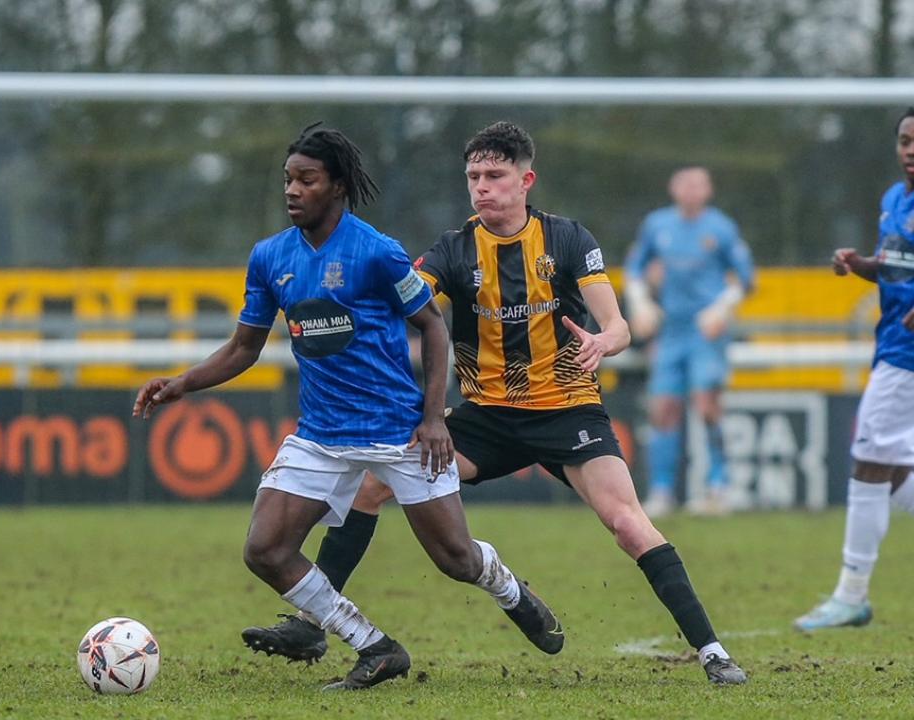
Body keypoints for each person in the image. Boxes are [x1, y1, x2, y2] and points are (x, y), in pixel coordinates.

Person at [248, 121, 747, 685]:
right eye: (473, 177)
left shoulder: (567, 240)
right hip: (484, 417)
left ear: (525, 180)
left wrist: (606, 340)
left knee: (628, 524)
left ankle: (712, 652)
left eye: (494, 176)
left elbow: (617, 325)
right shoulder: (454, 249)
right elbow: (410, 310)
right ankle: (315, 624)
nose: (482, 187)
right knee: (373, 486)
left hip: (567, 411)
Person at [132, 123, 563, 691]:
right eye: (288, 179)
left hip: (398, 433)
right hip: (321, 435)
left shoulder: (376, 252)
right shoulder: (270, 258)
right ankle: (374, 646)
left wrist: (434, 419)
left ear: (336, 186)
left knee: (456, 559)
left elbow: (433, 329)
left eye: (306, 180)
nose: (292, 190)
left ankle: (510, 590)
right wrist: (182, 383)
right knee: (264, 549)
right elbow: (243, 347)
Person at [795, 108, 914, 631]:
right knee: (891, 464)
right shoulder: (894, 200)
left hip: (905, 355)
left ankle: (851, 594)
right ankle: (851, 595)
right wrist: (858, 266)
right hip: (892, 341)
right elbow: (896, 269)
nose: (911, 150)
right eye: (906, 141)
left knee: (869, 458)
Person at [624, 166, 754, 518]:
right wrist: (641, 303)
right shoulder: (657, 224)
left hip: (705, 331)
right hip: (671, 332)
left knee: (707, 404)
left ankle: (718, 486)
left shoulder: (721, 227)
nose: (691, 190)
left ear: (709, 190)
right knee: (663, 409)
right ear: (673, 187)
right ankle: (662, 491)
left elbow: (745, 279)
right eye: (685, 183)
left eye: (699, 184)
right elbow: (635, 269)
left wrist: (721, 310)